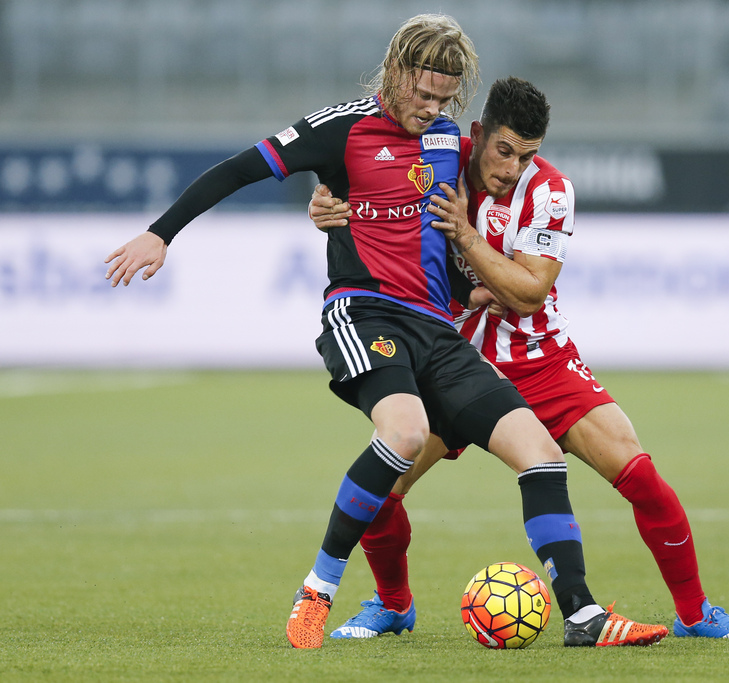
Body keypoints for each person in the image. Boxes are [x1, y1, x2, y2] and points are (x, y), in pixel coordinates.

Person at [104, 15, 667, 650]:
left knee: (538, 451)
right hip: (363, 313)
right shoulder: (339, 128)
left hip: (436, 327)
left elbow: (440, 233)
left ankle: (583, 616)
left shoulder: (449, 141)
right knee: (404, 432)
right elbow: (238, 169)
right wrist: (162, 232)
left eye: (443, 99)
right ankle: (318, 589)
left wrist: (471, 287)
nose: (430, 110)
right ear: (395, 71)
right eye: (421, 94)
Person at [309, 76, 729, 641]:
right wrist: (332, 207)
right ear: (478, 135)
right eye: (503, 150)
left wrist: (466, 238)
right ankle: (392, 605)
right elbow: (367, 198)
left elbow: (527, 293)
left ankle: (696, 616)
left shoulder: (550, 191)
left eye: (526, 155)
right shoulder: (435, 163)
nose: (511, 168)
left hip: (541, 361)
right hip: (453, 360)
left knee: (643, 478)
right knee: (384, 490)